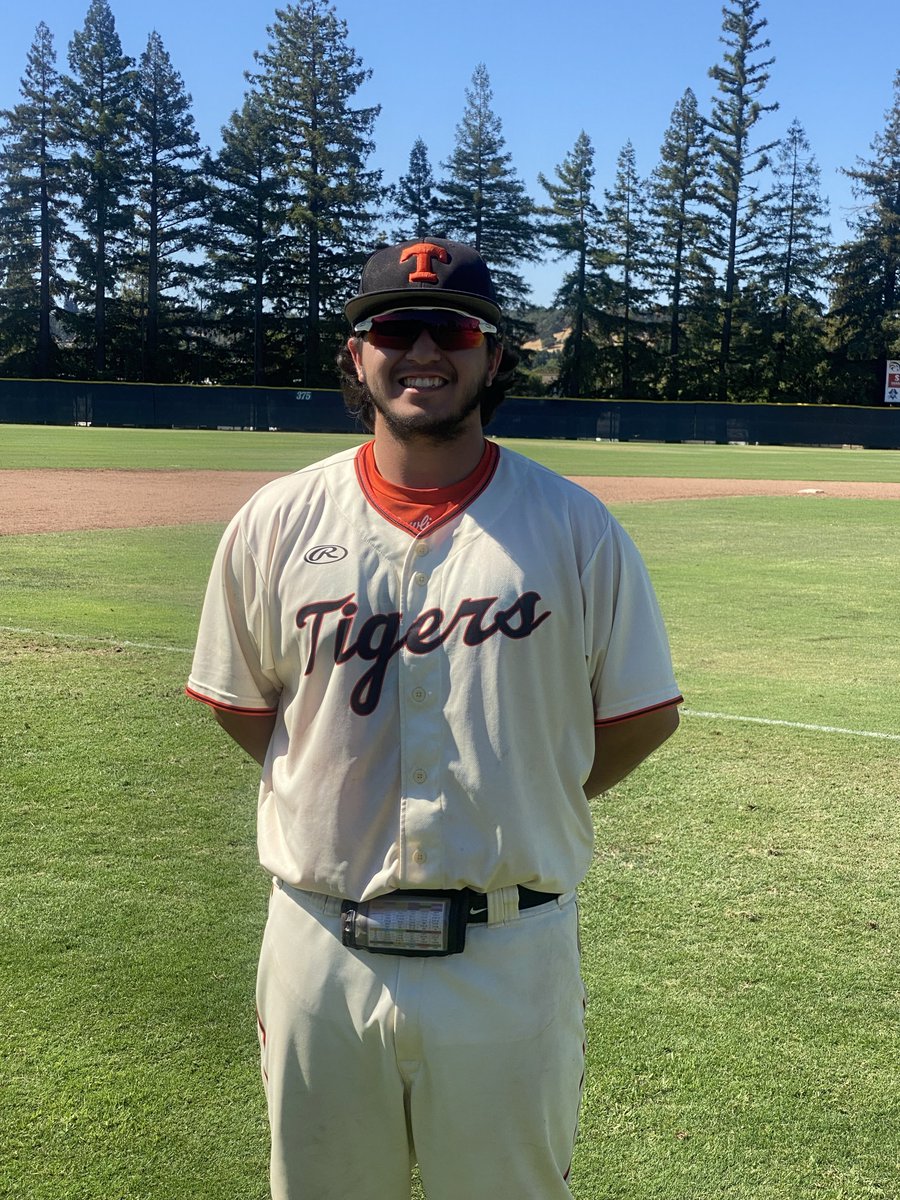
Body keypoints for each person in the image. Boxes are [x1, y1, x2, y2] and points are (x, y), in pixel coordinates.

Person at [186, 237, 682, 1200]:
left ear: (494, 356)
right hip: (320, 948)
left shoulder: (575, 529)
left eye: (452, 329)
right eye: (393, 329)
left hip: (508, 953)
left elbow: (636, 718)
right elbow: (250, 710)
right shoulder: (275, 521)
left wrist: (523, 786)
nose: (423, 351)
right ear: (354, 355)